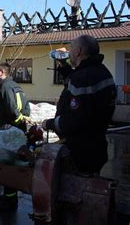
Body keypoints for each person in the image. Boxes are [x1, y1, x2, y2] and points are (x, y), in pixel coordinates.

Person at [42, 35, 116, 174]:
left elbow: (74, 120)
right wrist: (63, 65)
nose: (69, 52)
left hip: (79, 151)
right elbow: (77, 82)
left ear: (78, 51)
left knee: (75, 190)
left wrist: (50, 124)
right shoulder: (102, 72)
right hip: (96, 146)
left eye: (71, 48)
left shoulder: (83, 78)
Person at [0, 62, 31, 212]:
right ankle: (9, 198)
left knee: (7, 165)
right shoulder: (15, 85)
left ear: (1, 72)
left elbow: (11, 109)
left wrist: (12, 127)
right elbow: (24, 108)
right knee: (13, 164)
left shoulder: (5, 87)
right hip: (16, 128)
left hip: (8, 129)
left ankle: (9, 201)